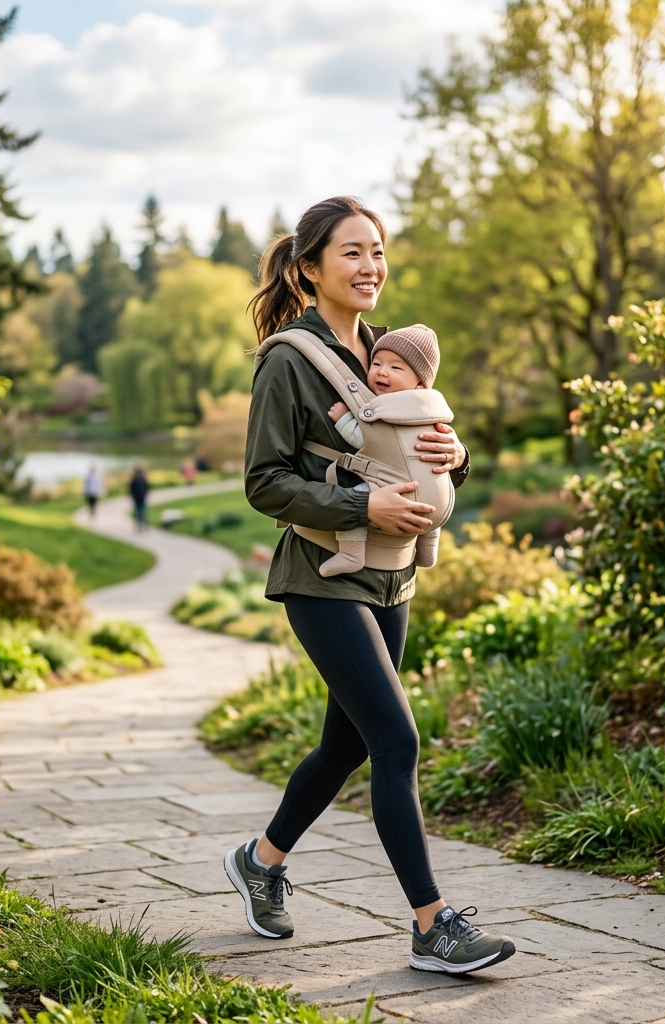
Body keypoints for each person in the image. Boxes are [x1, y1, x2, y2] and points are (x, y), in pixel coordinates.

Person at [222, 196, 517, 975]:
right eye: (351, 252)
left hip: (392, 576)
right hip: (322, 575)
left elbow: (421, 454)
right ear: (309, 268)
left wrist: (454, 456)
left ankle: (260, 860)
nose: (370, 266)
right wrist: (363, 505)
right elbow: (263, 482)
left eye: (378, 250)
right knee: (396, 738)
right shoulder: (289, 360)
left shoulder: (392, 353)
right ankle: (432, 927)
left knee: (347, 741)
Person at [321, 324, 446, 577]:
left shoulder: (391, 409)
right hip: (438, 498)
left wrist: (344, 419)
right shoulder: (432, 409)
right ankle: (427, 551)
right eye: (376, 364)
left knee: (355, 498)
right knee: (430, 506)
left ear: (420, 384)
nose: (382, 372)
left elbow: (367, 440)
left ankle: (351, 554)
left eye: (395, 368)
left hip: (398, 490)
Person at [129, 464, 150, 530]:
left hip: (137, 497)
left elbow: (131, 489)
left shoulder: (135, 479)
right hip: (141, 497)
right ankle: (141, 525)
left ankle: (139, 525)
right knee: (142, 511)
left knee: (139, 511)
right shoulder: (143, 479)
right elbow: (147, 488)